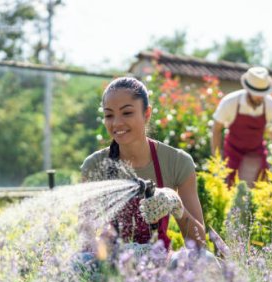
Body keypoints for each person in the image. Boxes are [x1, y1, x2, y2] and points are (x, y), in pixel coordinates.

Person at [80, 76, 208, 264]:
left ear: (147, 114)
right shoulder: (95, 165)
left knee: (205, 261)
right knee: (78, 263)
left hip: (160, 264)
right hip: (113, 266)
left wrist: (176, 205)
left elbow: (199, 243)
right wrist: (103, 246)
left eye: (127, 113)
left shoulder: (177, 162)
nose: (116, 123)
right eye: (109, 115)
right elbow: (85, 238)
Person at [211, 66, 272, 188]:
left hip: (257, 155)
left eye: (262, 93)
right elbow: (216, 130)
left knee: (263, 191)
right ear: (248, 89)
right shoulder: (230, 102)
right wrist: (218, 162)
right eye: (257, 94)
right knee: (231, 193)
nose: (260, 97)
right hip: (233, 154)